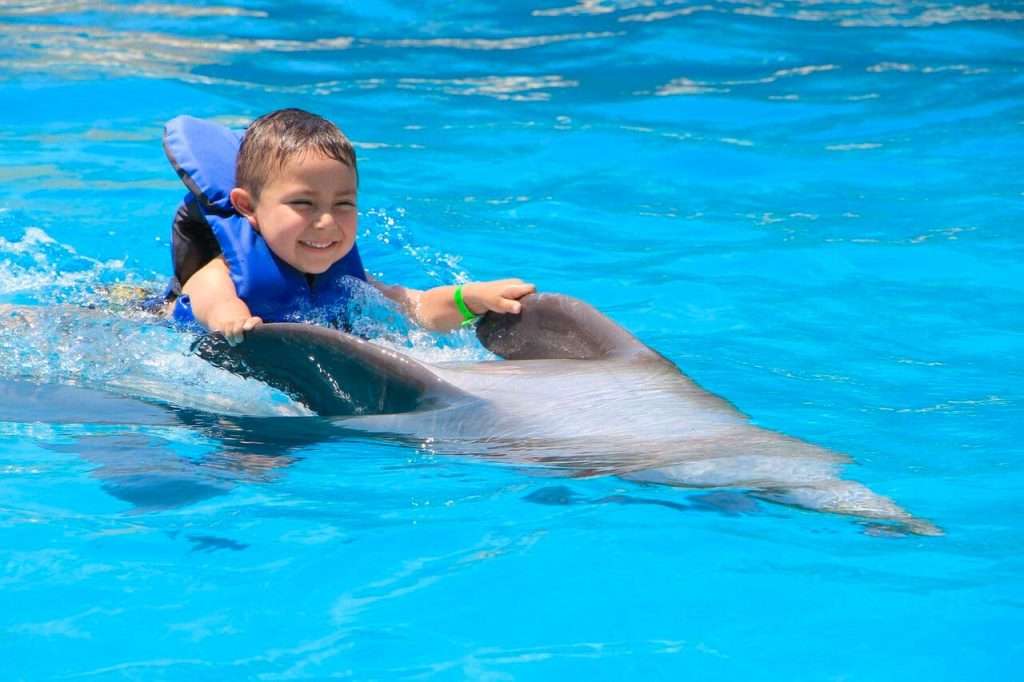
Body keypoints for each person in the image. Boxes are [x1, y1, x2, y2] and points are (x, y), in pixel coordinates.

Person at [163, 108, 534, 344]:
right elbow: (213, 302)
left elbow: (416, 308)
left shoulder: (344, 278)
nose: (325, 222)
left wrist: (469, 298)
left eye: (343, 204)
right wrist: (232, 320)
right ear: (248, 207)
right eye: (303, 204)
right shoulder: (221, 273)